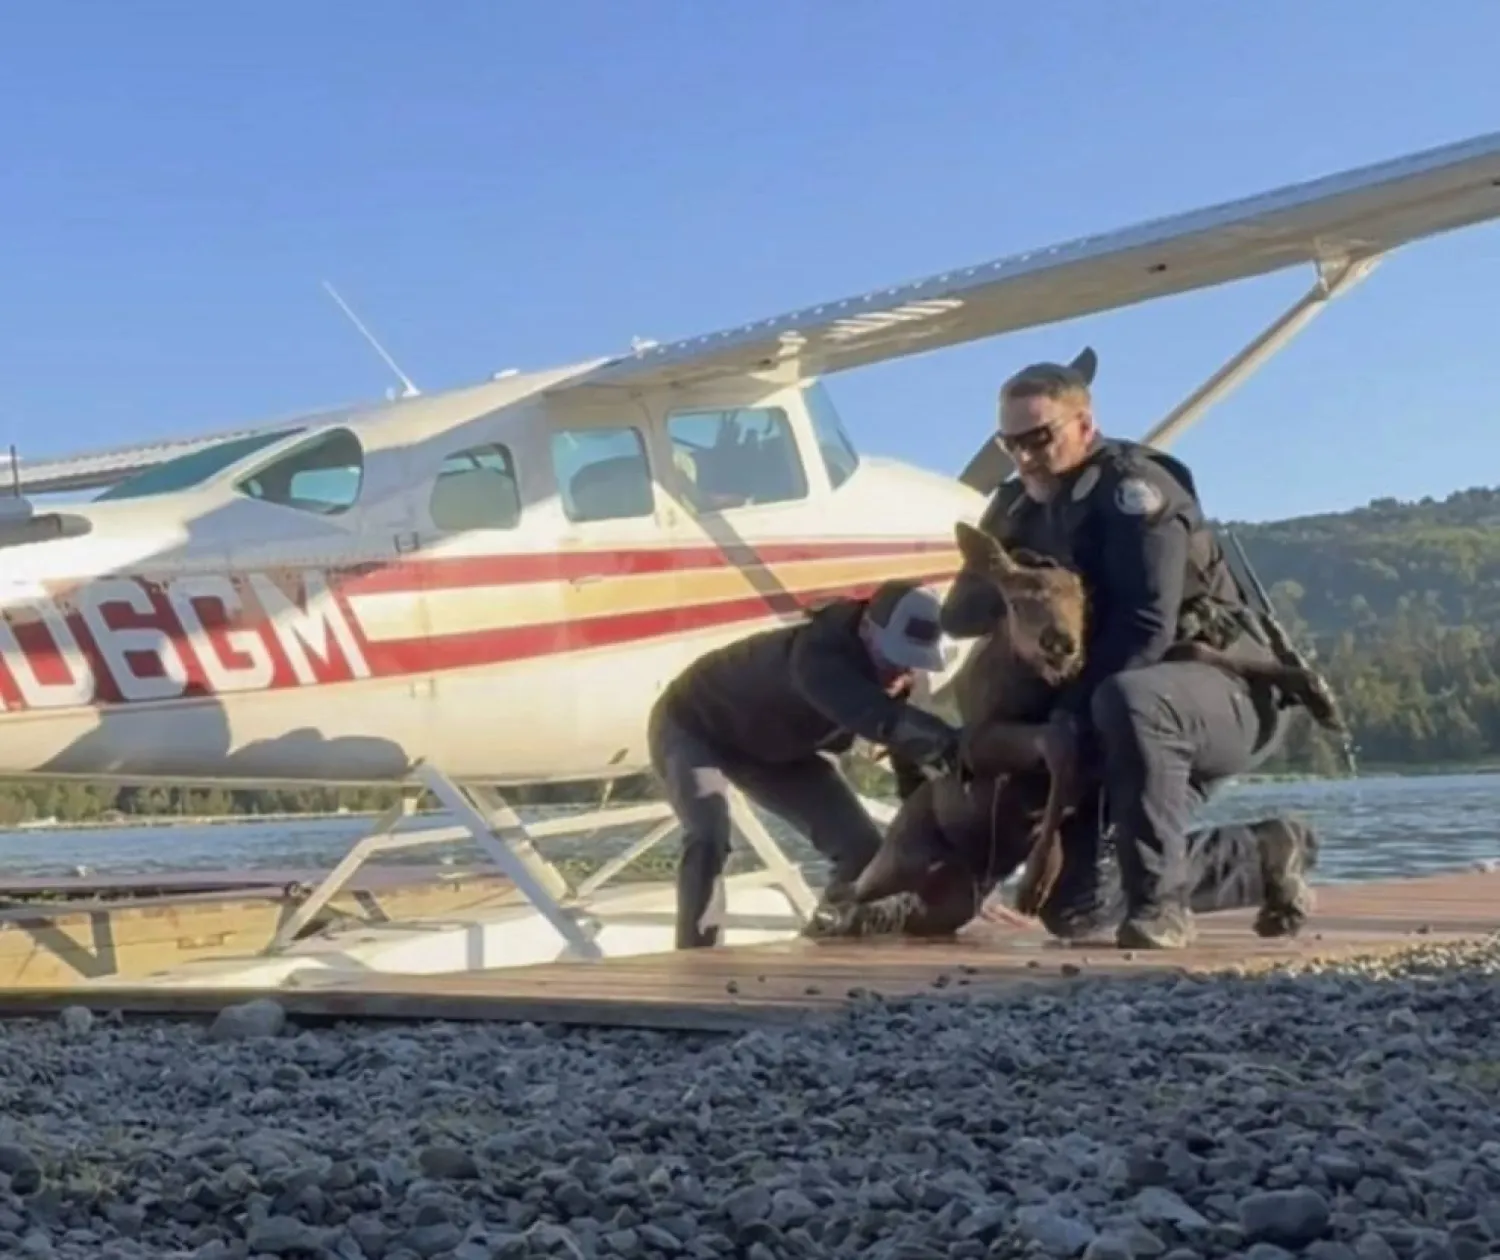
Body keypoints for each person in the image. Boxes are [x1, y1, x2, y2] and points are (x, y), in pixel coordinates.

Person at [945, 354, 1321, 950]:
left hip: (1217, 688)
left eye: (1039, 438)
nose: (1023, 457)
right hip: (1117, 710)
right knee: (1076, 908)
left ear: (1084, 427)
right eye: (1008, 443)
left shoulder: (1134, 492)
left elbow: (1147, 627)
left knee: (1131, 695)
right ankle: (1262, 853)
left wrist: (1068, 716)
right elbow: (958, 616)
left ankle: (1161, 908)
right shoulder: (1019, 505)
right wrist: (1005, 572)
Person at [648, 579, 962, 948]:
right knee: (707, 832)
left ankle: (823, 940)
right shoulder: (818, 654)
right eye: (894, 658)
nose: (901, 670)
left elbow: (910, 767)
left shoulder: (904, 676)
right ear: (865, 629)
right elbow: (877, 718)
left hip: (776, 749)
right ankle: (695, 957)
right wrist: (957, 745)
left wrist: (941, 856)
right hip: (696, 725)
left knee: (862, 849)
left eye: (913, 662)